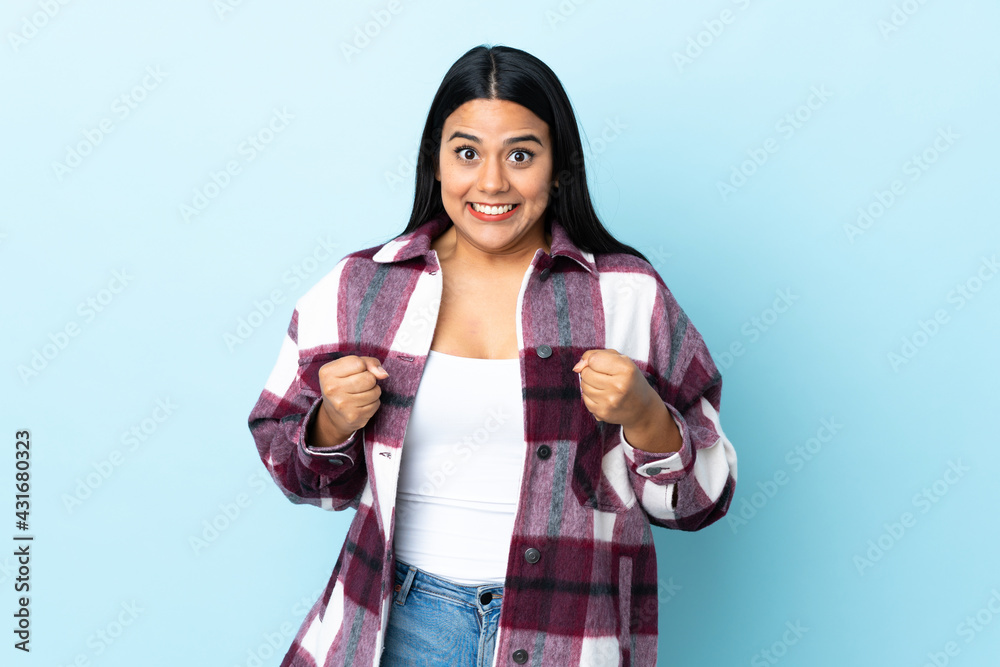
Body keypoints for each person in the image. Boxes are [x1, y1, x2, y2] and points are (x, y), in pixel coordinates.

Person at [247, 43, 737, 667]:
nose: (492, 182)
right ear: (437, 162)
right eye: (468, 152)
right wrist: (331, 424)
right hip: (397, 625)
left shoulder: (627, 296)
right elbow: (296, 471)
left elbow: (702, 503)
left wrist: (646, 418)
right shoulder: (359, 290)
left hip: (568, 634)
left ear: (559, 167)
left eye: (522, 155)